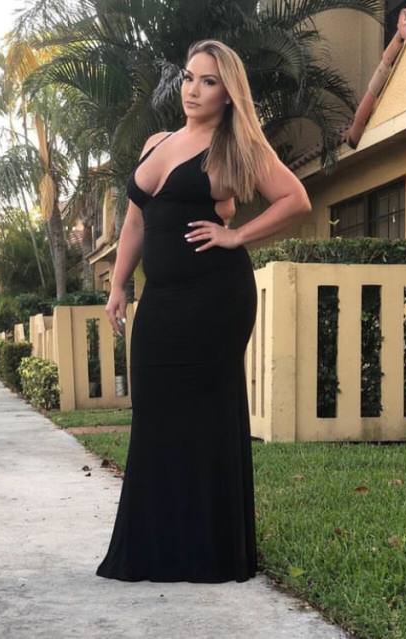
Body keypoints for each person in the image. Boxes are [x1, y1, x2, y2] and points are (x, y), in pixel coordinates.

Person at [96, 39, 311, 583]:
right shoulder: (157, 142)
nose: (193, 90)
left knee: (206, 417)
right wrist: (118, 284)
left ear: (229, 92)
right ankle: (155, 547)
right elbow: (135, 221)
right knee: (155, 414)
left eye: (208, 81)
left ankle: (209, 550)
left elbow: (296, 200)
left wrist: (236, 235)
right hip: (161, 300)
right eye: (189, 78)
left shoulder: (237, 147)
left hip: (214, 298)